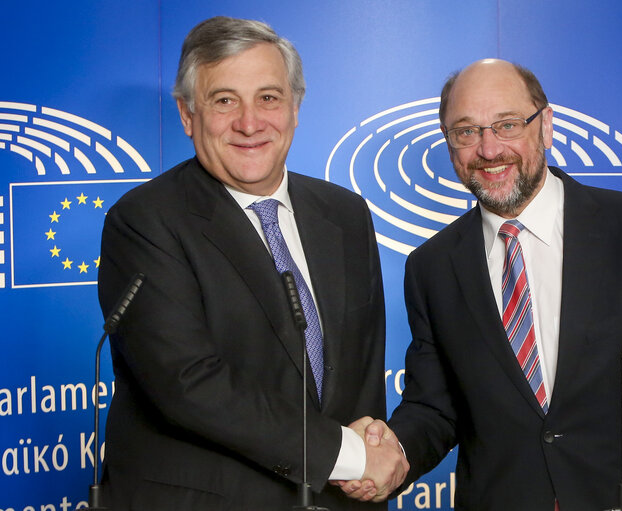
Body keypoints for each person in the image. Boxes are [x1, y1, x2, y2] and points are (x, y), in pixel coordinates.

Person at [343, 59, 622, 510]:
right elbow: (436, 407)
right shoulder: (432, 266)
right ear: (449, 143)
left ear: (546, 126)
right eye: (466, 131)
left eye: (507, 125)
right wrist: (394, 450)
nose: (488, 149)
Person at [97, 16, 406, 510]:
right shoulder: (144, 221)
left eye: (269, 97)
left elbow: (362, 377)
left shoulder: (345, 213)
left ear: (295, 107)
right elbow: (189, 384)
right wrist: (347, 455)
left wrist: (370, 468)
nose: (249, 122)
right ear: (187, 114)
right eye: (224, 100)